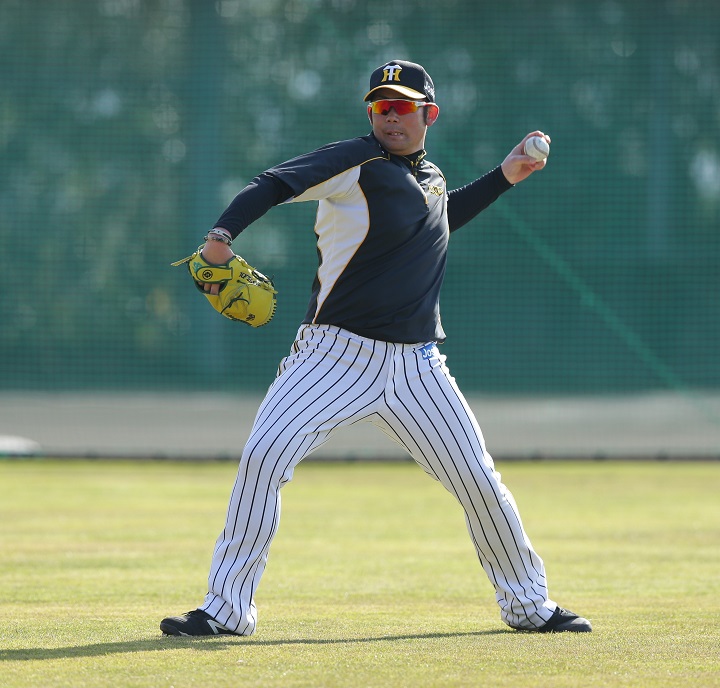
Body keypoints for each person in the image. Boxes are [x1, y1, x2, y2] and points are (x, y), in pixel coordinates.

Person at [161, 60, 591, 636]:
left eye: (403, 105)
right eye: (381, 105)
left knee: (478, 481)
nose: (390, 115)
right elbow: (273, 183)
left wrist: (504, 176)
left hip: (417, 365)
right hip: (332, 356)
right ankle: (227, 609)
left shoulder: (429, 177)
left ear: (428, 115)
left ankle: (528, 605)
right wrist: (219, 241)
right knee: (264, 458)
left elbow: (439, 218)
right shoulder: (354, 163)